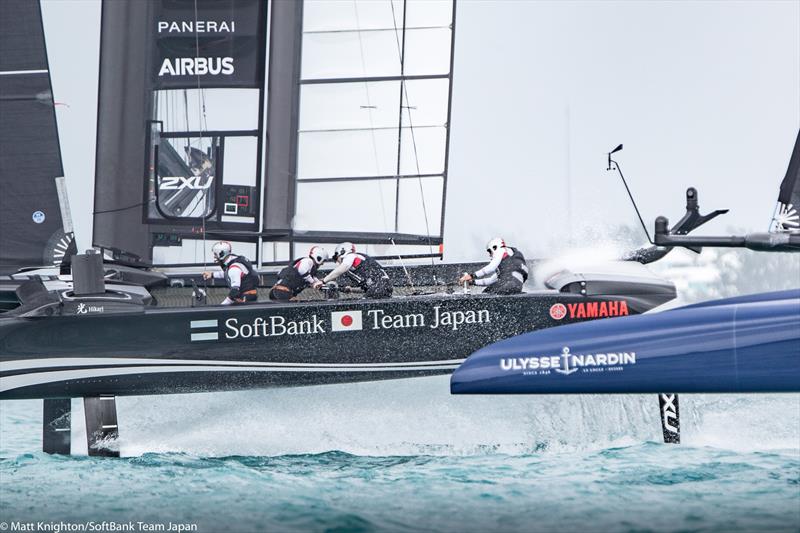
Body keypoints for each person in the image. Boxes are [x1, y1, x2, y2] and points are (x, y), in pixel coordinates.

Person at [322, 242, 393, 299]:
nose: (337, 262)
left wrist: (323, 281)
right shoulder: (359, 264)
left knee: (361, 307)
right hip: (386, 287)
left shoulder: (350, 256)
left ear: (342, 252)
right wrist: (351, 290)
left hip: (378, 287)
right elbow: (367, 288)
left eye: (336, 258)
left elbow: (342, 268)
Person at [459, 237, 528, 294]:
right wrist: (473, 282)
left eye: (489, 251)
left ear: (495, 247)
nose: (490, 255)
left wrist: (471, 276)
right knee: (487, 291)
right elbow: (491, 280)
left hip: (507, 286)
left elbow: (491, 268)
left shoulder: (501, 250)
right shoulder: (510, 264)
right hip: (516, 288)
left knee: (486, 293)